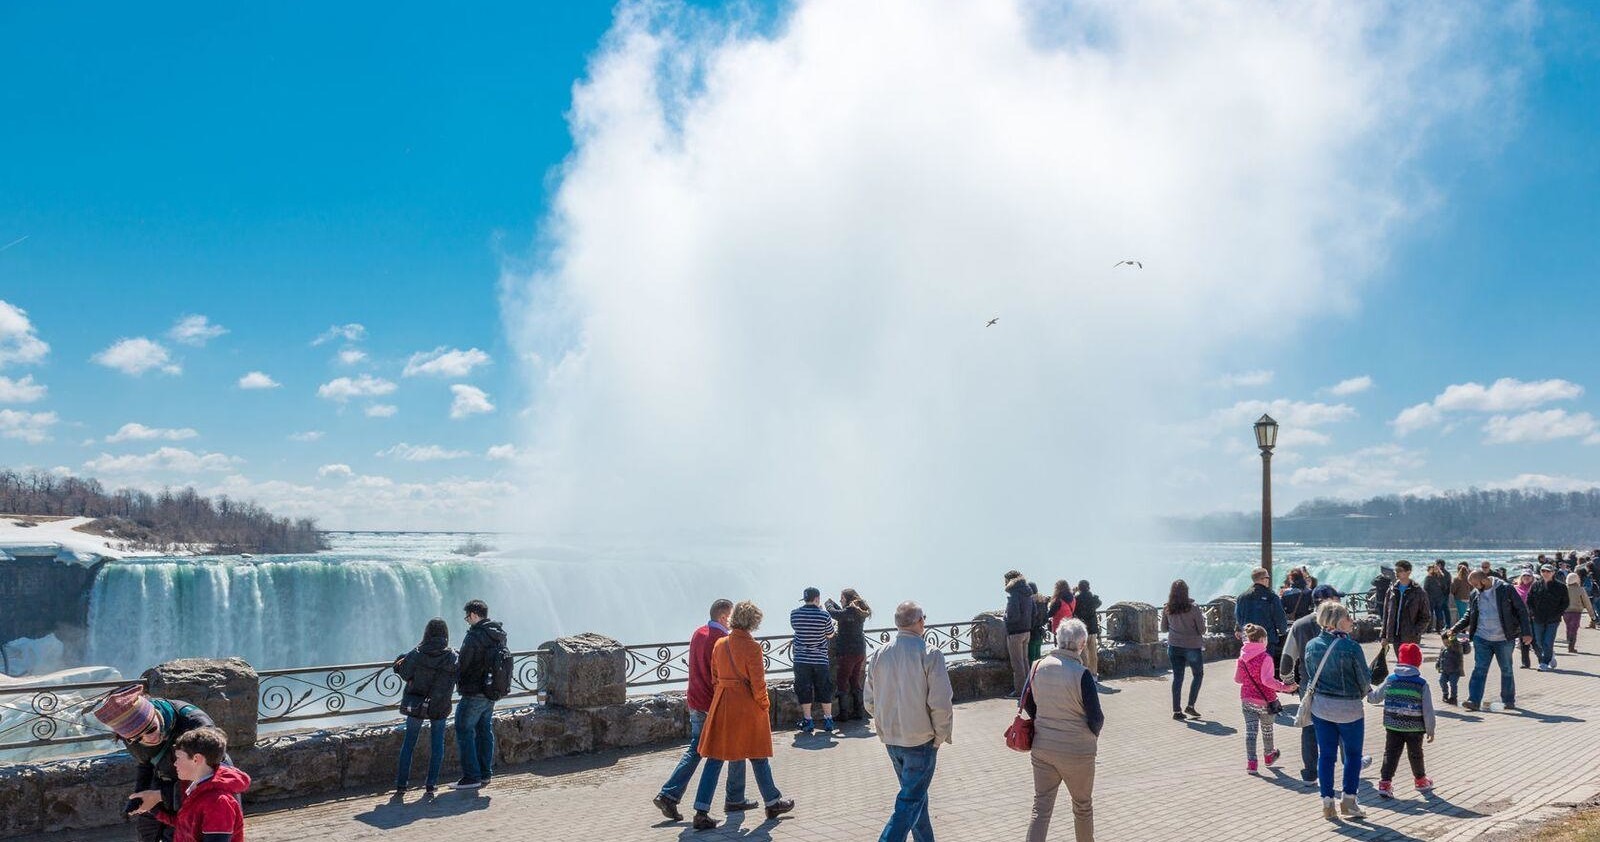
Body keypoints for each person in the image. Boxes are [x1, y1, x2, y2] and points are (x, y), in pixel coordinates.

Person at [653, 599, 754, 825]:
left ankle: (669, 795)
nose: (733, 622)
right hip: (714, 703)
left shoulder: (698, 633)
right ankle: (730, 799)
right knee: (732, 747)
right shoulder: (722, 641)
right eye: (731, 617)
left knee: (697, 749)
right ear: (722, 617)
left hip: (695, 700)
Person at [696, 601, 795, 829]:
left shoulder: (720, 644)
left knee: (715, 757)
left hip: (722, 704)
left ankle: (701, 810)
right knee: (758, 755)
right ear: (753, 622)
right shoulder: (752, 648)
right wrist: (764, 705)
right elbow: (758, 684)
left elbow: (714, 676)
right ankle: (772, 802)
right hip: (745, 707)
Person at [93, 683, 231, 842]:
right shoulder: (131, 737)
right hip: (166, 780)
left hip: (204, 782)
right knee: (148, 831)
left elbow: (210, 781)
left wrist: (159, 796)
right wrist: (139, 796)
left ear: (155, 713)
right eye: (138, 738)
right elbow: (145, 764)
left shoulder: (195, 724)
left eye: (151, 729)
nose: (148, 738)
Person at [864, 600, 954, 842]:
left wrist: (885, 721)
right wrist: (940, 736)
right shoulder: (930, 654)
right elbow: (941, 702)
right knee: (910, 801)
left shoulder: (879, 654)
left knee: (916, 798)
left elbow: (869, 700)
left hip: (892, 739)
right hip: (921, 740)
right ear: (920, 621)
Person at [1024, 617, 1103, 842]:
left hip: (1043, 748)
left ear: (1057, 640)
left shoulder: (1037, 666)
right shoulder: (1082, 674)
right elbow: (1096, 717)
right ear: (1081, 644)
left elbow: (1028, 703)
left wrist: (1044, 721)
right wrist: (1089, 735)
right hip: (1077, 751)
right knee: (1082, 807)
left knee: (1041, 807)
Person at [1302, 600, 1372, 820]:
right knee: (1352, 755)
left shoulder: (1312, 645)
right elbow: (1364, 681)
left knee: (1326, 756)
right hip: (1348, 709)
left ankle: (1327, 804)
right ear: (1339, 621)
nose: (1352, 621)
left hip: (1321, 708)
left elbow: (1310, 674)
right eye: (1348, 617)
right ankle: (1349, 802)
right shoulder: (1351, 647)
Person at [131, 726, 249, 842]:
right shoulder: (197, 788)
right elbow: (185, 824)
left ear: (196, 759)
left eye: (178, 758)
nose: (175, 764)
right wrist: (153, 810)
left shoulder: (218, 802)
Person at [1450, 570, 1533, 712]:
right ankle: (1473, 700)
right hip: (1481, 638)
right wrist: (1454, 629)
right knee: (1479, 669)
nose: (1474, 587)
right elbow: (1469, 614)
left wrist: (1526, 633)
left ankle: (1508, 700)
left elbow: (1521, 610)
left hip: (1504, 638)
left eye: (1475, 584)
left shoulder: (1505, 589)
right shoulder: (1475, 594)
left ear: (1484, 580)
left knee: (1506, 669)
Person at [392, 617, 458, 795]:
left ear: (427, 633)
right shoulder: (452, 656)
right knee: (437, 745)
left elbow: (404, 672)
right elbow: (458, 677)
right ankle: (431, 784)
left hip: (416, 704)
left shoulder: (417, 652)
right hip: (440, 705)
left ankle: (401, 784)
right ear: (445, 635)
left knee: (409, 744)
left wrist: (400, 661)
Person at [1366, 643, 1434, 799]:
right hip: (1414, 728)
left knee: (1390, 754)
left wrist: (1367, 689)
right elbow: (1428, 710)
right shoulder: (1421, 683)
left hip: (1393, 725)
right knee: (1416, 754)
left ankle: (1384, 783)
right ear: (1418, 662)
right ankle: (1421, 781)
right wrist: (1430, 729)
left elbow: (1375, 698)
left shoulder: (1391, 679)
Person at [451, 599, 506, 790]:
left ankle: (471, 777)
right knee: (484, 731)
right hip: (491, 691)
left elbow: (464, 664)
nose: (467, 620)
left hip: (474, 691)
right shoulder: (497, 634)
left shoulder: (474, 636)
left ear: (474, 615)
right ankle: (485, 774)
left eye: (467, 617)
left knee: (463, 729)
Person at [1235, 623, 1296, 775]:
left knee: (1251, 732)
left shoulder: (1242, 658)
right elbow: (1267, 681)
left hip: (1247, 699)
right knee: (1267, 730)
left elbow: (1238, 679)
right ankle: (1269, 756)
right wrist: (1285, 687)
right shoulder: (1265, 657)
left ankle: (1252, 763)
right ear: (1262, 639)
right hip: (1265, 700)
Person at [791, 587, 838, 733]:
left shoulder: (794, 614)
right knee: (824, 687)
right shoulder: (824, 615)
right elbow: (830, 634)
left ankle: (808, 720)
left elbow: (796, 628)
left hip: (801, 659)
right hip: (820, 659)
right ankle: (828, 719)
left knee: (804, 688)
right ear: (817, 598)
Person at [826, 589, 873, 723]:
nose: (840, 600)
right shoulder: (857, 611)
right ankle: (858, 712)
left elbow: (835, 614)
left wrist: (828, 603)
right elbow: (841, 612)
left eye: (841, 598)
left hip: (848, 652)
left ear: (847, 598)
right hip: (859, 652)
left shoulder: (851, 611)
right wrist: (834, 603)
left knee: (842, 681)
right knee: (854, 681)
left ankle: (843, 714)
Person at [1164, 579, 1207, 721]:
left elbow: (1163, 628)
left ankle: (1177, 711)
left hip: (1174, 646)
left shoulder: (1167, 608)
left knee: (1177, 678)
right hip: (1192, 646)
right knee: (1198, 675)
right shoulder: (1193, 608)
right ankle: (1190, 705)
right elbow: (1202, 629)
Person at [1235, 567, 1288, 664]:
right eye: (1268, 577)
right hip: (1266, 639)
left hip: (1249, 638)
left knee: (1250, 666)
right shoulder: (1271, 596)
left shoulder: (1242, 597)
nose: (1269, 580)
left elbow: (1238, 617)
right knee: (1265, 668)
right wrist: (1283, 630)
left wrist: (1240, 629)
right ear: (1263, 579)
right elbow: (1279, 617)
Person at [1526, 563, 1569, 670]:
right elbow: (1529, 600)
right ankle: (1550, 655)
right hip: (1538, 618)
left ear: (1553, 573)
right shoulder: (1535, 585)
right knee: (1539, 642)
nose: (1545, 573)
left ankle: (1544, 662)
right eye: (1543, 571)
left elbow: (1565, 602)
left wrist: (1558, 613)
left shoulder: (1561, 586)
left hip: (1553, 619)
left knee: (1548, 641)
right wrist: (1532, 613)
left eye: (1548, 571)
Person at [1381, 560, 1430, 646]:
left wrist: (1415, 631)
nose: (1396, 573)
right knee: (1400, 659)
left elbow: (1426, 616)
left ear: (1408, 572)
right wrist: (1384, 635)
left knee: (1407, 659)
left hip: (1410, 637)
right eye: (1396, 570)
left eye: (1400, 570)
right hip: (1394, 636)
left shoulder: (1418, 591)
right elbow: (1386, 614)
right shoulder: (1391, 590)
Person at [1004, 571, 1034, 697]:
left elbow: (1013, 616)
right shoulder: (1028, 593)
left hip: (1015, 632)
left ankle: (1019, 691)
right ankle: (1028, 688)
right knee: (1025, 661)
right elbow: (1034, 611)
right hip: (1026, 631)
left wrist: (1005, 617)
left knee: (1017, 663)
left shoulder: (1014, 594)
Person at [1072, 580, 1103, 679]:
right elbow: (1099, 603)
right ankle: (1094, 675)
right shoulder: (1092, 597)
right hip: (1093, 628)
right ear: (1088, 587)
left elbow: (1073, 609)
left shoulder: (1077, 598)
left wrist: (1074, 592)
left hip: (1083, 629)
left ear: (1079, 588)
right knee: (1093, 653)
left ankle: (1086, 676)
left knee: (1084, 654)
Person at [1435, 632, 1468, 706]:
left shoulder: (1456, 646)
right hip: (1445, 670)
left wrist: (1453, 640)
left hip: (1455, 670)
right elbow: (1440, 656)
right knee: (1442, 681)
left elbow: (1456, 647)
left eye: (1447, 641)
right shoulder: (1443, 647)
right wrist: (1437, 663)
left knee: (1453, 684)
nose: (1445, 643)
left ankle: (1453, 697)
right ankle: (1445, 693)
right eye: (1443, 642)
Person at [1513, 568, 1537, 669]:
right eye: (1524, 576)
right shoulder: (1515, 588)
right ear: (1521, 577)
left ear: (1532, 578)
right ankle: (1525, 663)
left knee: (1535, 640)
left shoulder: (1535, 588)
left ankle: (1543, 659)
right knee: (1523, 641)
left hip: (1532, 617)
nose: (1526, 578)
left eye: (1528, 576)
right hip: (1520, 617)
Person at [1571, 572, 1598, 650]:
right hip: (1590, 596)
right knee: (1592, 608)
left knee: (1591, 607)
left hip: (1589, 595)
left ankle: (1593, 621)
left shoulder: (1583, 580)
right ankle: (1593, 621)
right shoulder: (1588, 578)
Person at [1028, 583, 1052, 664]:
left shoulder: (1030, 602)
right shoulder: (1043, 602)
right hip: (1040, 633)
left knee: (1031, 660)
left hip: (1032, 634)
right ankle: (1038, 675)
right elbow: (1046, 619)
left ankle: (1032, 676)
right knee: (1038, 659)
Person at [1423, 562, 1449, 633]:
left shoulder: (1428, 578)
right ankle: (1439, 628)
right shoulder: (1441, 577)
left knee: (1430, 613)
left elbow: (1425, 588)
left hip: (1430, 598)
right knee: (1439, 613)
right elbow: (1445, 587)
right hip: (1440, 598)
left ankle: (1429, 629)